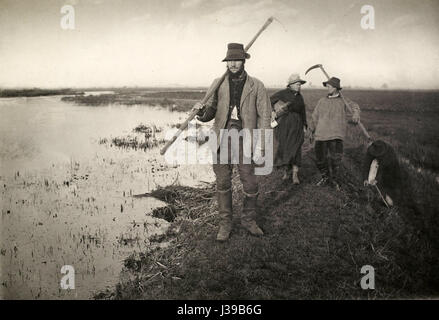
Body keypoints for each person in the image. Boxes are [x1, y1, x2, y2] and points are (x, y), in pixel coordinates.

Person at [193, 43, 272, 241]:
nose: (233, 64)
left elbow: (264, 117)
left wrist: (261, 145)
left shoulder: (257, 86)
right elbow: (209, 112)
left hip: (246, 138)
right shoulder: (217, 83)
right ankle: (225, 224)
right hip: (221, 138)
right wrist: (201, 112)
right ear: (226, 62)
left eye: (236, 60)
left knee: (250, 183)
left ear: (244, 61)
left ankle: (249, 220)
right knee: (222, 181)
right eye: (229, 61)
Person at [308, 77, 360, 189]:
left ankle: (334, 180)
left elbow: (354, 106)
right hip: (321, 135)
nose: (328, 88)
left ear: (336, 88)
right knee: (320, 159)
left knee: (335, 159)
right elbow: (314, 117)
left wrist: (356, 113)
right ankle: (325, 177)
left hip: (336, 135)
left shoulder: (343, 101)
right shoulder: (322, 101)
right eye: (327, 86)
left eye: (330, 86)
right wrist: (311, 130)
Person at [270, 74, 307, 184]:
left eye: (300, 84)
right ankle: (287, 171)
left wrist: (304, 125)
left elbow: (303, 112)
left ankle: (295, 174)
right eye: (297, 84)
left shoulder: (299, 96)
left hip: (297, 124)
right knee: (285, 146)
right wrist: (272, 111)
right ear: (290, 85)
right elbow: (269, 100)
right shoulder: (283, 93)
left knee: (296, 147)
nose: (299, 86)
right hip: (284, 124)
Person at [362, 140, 402, 207]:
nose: (376, 155)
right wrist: (365, 178)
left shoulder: (389, 154)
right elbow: (366, 164)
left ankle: (388, 197)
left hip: (391, 167)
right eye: (375, 154)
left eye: (377, 155)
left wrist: (376, 179)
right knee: (373, 179)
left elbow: (382, 170)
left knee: (388, 181)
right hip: (381, 164)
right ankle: (377, 194)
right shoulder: (371, 150)